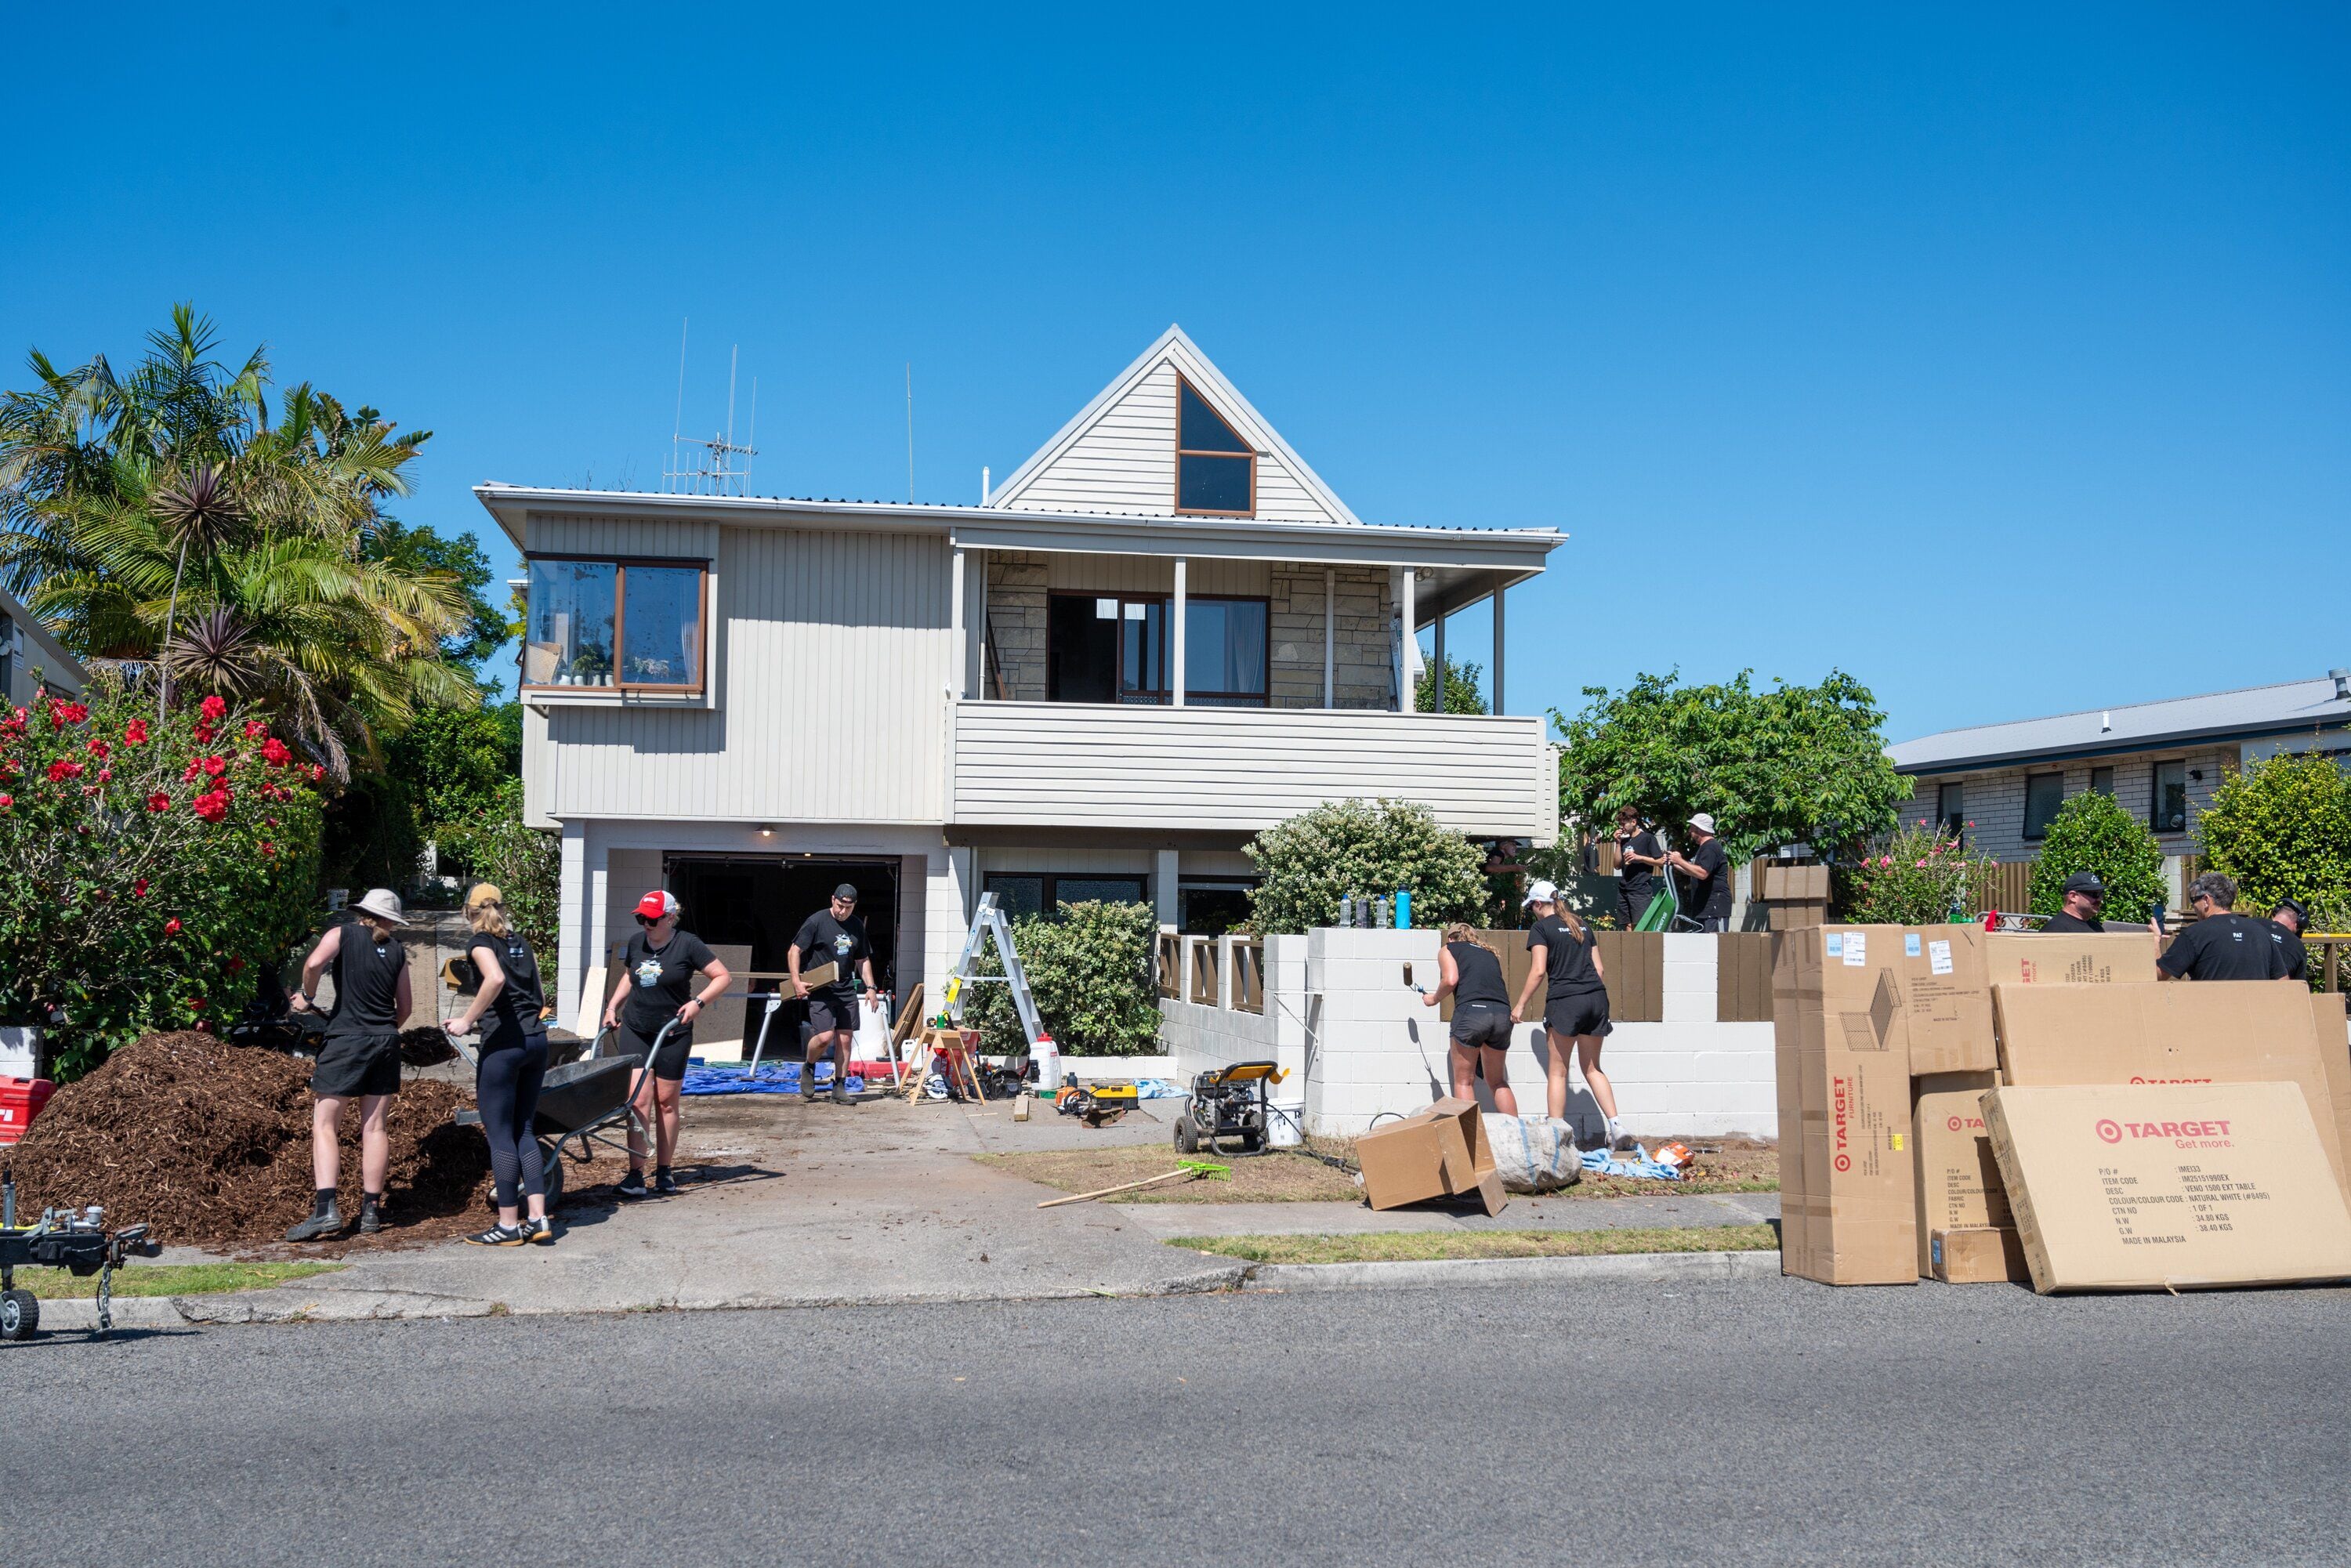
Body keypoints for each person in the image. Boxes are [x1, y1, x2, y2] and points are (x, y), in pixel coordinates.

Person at [284, 888, 413, 1240]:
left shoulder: (341, 933)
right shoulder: (399, 951)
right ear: (391, 919)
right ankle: (370, 1212)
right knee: (374, 1128)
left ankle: (326, 1210)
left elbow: (312, 964)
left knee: (325, 1124)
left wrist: (307, 998)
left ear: (363, 912)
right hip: (385, 1041)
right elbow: (405, 1009)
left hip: (345, 1041)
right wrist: (382, 1032)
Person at [444, 884, 554, 1247]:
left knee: (500, 1134)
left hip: (505, 1046)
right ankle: (538, 1219)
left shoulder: (480, 944)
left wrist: (466, 1019)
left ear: (468, 912)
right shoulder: (520, 942)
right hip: (536, 1040)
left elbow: (495, 979)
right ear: (502, 909)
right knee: (524, 1129)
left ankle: (508, 1224)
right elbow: (536, 995)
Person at [603, 889, 731, 1197]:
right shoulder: (636, 943)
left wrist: (698, 1003)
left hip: (673, 1033)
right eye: (641, 918)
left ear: (670, 917)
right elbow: (630, 976)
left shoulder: (688, 944)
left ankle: (664, 1170)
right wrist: (612, 1007)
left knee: (666, 1102)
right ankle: (635, 1175)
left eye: (652, 919)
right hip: (637, 1028)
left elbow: (722, 977)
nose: (646, 924)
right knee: (638, 1101)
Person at [1510, 880, 1626, 1150]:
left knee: (1558, 1072)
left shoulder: (1541, 928)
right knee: (1593, 1067)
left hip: (1566, 1001)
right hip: (1596, 999)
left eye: (1532, 907)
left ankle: (1557, 1138)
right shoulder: (1581, 924)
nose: (1533, 912)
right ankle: (1617, 1127)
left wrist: (1519, 1005)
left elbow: (1538, 971)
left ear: (1538, 904)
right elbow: (1600, 970)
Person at [791, 883, 881, 1106]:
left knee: (845, 1040)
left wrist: (871, 988)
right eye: (840, 906)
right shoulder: (817, 921)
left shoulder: (856, 926)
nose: (843, 911)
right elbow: (794, 950)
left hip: (846, 990)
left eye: (848, 908)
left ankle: (839, 1087)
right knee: (824, 1037)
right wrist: (796, 981)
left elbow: (862, 960)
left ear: (854, 906)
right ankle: (809, 1066)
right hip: (821, 989)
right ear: (833, 900)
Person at [1420, 922, 1519, 1115]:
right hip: (1501, 1015)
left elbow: (1450, 980)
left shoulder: (1448, 949)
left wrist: (1433, 999)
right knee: (1497, 1082)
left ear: (1451, 938)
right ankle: (1518, 1137)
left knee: (1464, 1081)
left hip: (1472, 1014)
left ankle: (1471, 1141)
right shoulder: (1489, 953)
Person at [2157, 872, 2291, 982]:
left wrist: (2155, 942)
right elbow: (2283, 982)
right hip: (2255, 1013)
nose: (2193, 906)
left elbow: (2158, 976)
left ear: (2207, 900)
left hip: (2213, 1012)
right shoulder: (2261, 932)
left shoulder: (2195, 933)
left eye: (2194, 900)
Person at [1665, 813, 1733, 932]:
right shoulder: (1704, 847)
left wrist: (1680, 860)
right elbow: (1695, 872)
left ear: (1699, 829)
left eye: (1691, 827)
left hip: (1714, 908)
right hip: (1704, 909)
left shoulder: (1711, 847)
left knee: (1716, 947)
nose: (1689, 831)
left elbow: (1702, 873)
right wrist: (1675, 864)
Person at [1613, 806, 1666, 929]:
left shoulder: (1648, 838)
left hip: (1640, 890)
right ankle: (1629, 948)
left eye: (1624, 824)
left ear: (1634, 822)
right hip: (1624, 889)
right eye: (1620, 824)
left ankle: (1639, 948)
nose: (1622, 827)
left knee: (1640, 924)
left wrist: (1639, 858)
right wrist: (1618, 843)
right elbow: (1616, 865)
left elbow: (1661, 861)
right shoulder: (1624, 841)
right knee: (1627, 924)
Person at [2041, 871, 2107, 933]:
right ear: (2073, 896)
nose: (2100, 899)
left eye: (2101, 893)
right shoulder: (2055, 930)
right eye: (2095, 894)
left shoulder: (2096, 927)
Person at [2268, 898, 2311, 984]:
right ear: (2299, 923)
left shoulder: (2253, 925)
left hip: (2240, 987)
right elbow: (2298, 986)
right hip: (2277, 993)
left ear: (2275, 912)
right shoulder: (2298, 946)